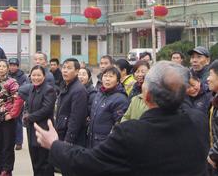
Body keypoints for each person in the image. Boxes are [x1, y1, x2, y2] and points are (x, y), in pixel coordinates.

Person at [35, 61, 208, 175]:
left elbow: (88, 163)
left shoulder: (132, 133)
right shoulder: (198, 121)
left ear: (147, 97)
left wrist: (54, 144)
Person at [0, 59, 24, 176]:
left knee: (7, 144)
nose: (1, 68)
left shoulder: (12, 82)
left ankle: (7, 170)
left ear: (7, 69)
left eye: (4, 66)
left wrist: (12, 114)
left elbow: (18, 99)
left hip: (7, 117)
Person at [23, 65, 57, 176]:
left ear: (44, 76)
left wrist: (29, 117)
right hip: (32, 130)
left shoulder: (49, 90)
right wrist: (25, 113)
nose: (36, 78)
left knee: (44, 162)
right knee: (35, 161)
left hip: (44, 130)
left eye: (39, 75)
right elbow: (27, 104)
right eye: (34, 75)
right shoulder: (31, 88)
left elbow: (46, 109)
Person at [87, 67, 129, 148]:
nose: (107, 79)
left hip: (106, 144)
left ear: (118, 81)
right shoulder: (99, 93)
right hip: (92, 141)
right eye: (105, 76)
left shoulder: (120, 99)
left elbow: (119, 127)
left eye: (111, 76)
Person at [55, 58, 88, 147]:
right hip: (62, 132)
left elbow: (76, 119)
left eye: (69, 68)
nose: (65, 70)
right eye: (64, 67)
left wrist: (68, 140)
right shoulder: (65, 86)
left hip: (72, 139)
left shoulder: (79, 90)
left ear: (77, 71)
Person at [9, 57, 27, 151]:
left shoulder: (22, 76)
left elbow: (23, 89)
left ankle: (19, 142)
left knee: (18, 122)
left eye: (14, 65)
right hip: (7, 102)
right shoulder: (6, 74)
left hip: (18, 101)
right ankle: (9, 141)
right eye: (11, 65)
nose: (12, 67)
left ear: (18, 66)